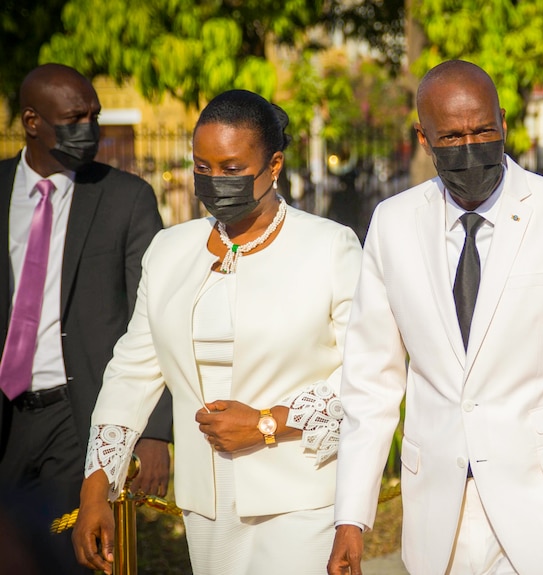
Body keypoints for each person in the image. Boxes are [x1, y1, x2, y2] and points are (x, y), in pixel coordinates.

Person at [329, 60, 543, 575]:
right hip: (437, 518)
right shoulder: (393, 223)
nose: (470, 147)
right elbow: (370, 383)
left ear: (504, 124)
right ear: (423, 138)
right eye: (451, 136)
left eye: (483, 130)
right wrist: (350, 519)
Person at [71, 89, 362, 574]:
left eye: (231, 169)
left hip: (302, 495)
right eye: (201, 167)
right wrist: (95, 488)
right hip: (206, 506)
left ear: (273, 166)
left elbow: (366, 376)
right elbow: (131, 374)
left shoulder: (330, 247)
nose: (214, 181)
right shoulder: (168, 251)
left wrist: (268, 422)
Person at [0, 63, 172, 575]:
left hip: (76, 415)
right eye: (75, 118)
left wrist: (154, 432)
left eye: (94, 115)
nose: (90, 129)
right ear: (33, 121)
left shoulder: (126, 198)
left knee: (70, 555)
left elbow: (154, 318)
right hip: (8, 414)